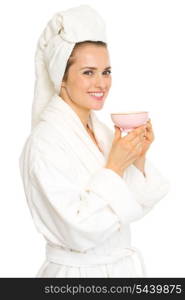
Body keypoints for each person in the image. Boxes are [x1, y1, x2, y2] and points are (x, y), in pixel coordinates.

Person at [19, 5, 170, 277]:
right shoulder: (44, 143)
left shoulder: (101, 133)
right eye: (88, 72)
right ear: (61, 77)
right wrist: (113, 167)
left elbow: (137, 206)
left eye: (107, 71)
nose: (102, 83)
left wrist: (137, 159)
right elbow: (76, 230)